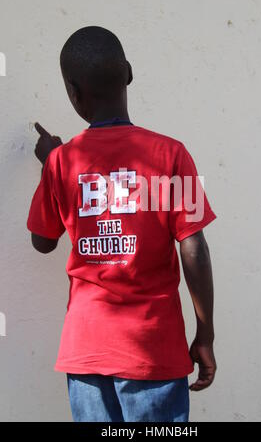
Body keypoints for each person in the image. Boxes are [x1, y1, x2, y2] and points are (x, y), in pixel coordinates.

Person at [26, 26, 217, 422]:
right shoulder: (172, 154)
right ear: (128, 73)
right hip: (152, 351)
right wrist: (205, 333)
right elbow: (193, 245)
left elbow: (42, 241)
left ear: (74, 93)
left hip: (87, 353)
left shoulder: (62, 163)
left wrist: (52, 166)